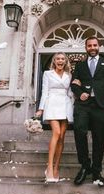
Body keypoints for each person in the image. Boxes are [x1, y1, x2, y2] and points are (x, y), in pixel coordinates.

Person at [71, 36, 104, 187]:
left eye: (94, 45)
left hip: (101, 105)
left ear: (99, 46)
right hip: (83, 104)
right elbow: (73, 83)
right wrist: (80, 93)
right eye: (89, 46)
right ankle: (85, 166)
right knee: (79, 131)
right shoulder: (80, 65)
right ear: (85, 48)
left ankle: (96, 171)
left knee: (99, 138)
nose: (92, 48)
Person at [35, 52, 73, 183]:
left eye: (63, 59)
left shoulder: (69, 75)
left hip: (65, 105)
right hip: (52, 104)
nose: (60, 61)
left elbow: (69, 92)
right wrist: (41, 109)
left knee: (61, 137)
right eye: (58, 59)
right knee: (56, 133)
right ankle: (49, 167)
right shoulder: (47, 73)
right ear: (54, 61)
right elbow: (44, 91)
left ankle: (57, 167)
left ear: (65, 61)